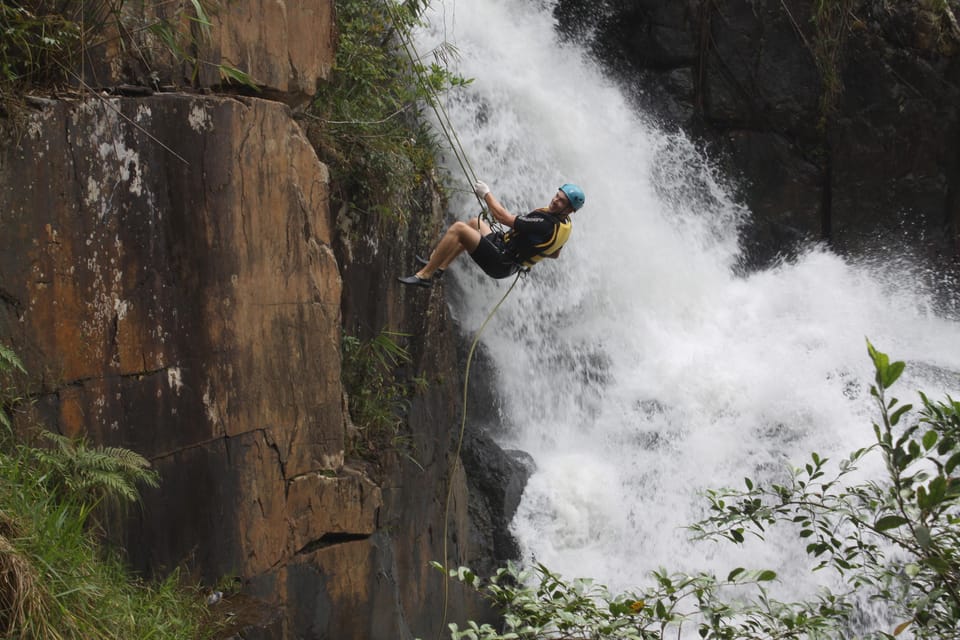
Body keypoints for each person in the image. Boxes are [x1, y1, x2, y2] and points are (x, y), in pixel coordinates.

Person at [398, 181, 585, 287]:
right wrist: (531, 251)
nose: (554, 201)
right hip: (505, 250)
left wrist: (486, 194)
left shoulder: (545, 224)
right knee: (474, 223)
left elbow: (503, 218)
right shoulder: (565, 226)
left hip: (501, 261)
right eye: (556, 196)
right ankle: (439, 267)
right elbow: (554, 253)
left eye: (561, 202)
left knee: (459, 229)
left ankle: (424, 276)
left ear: (569, 210)